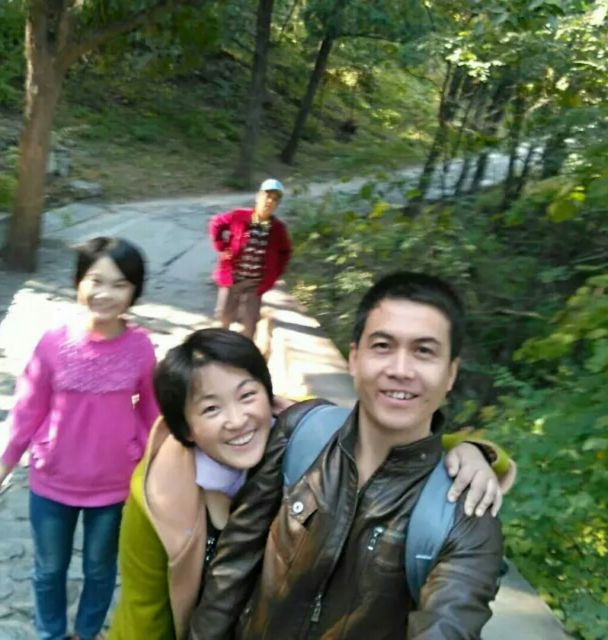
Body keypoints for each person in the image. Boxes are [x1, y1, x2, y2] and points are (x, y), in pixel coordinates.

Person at [108, 328, 512, 640]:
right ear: (186, 428)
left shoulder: (300, 435)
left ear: (268, 394)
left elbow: (389, 439)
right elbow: (145, 609)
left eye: (247, 396)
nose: (237, 420)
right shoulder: (157, 493)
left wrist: (474, 450)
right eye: (211, 409)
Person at [188, 272, 507, 640]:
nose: (400, 370)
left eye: (424, 351)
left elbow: (451, 623)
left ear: (450, 373)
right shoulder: (300, 433)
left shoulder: (465, 516)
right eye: (383, 346)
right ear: (354, 358)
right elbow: (233, 566)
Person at [0, 237, 159, 640]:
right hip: (52, 479)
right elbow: (28, 407)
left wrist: (152, 459)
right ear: (79, 282)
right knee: (48, 569)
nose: (105, 294)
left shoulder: (140, 347)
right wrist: (5, 464)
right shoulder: (53, 342)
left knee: (99, 569)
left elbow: (152, 410)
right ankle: (51, 633)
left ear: (134, 291)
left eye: (119, 284)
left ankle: (87, 631)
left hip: (113, 485)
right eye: (96, 280)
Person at [209, 178, 291, 338]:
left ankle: (243, 350)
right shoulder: (239, 216)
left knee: (250, 325)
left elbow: (285, 252)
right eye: (267, 196)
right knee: (223, 319)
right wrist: (222, 246)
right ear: (258, 196)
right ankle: (218, 347)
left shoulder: (277, 229)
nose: (270, 201)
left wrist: (275, 273)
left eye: (275, 199)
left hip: (255, 283)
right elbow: (216, 223)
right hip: (232, 278)